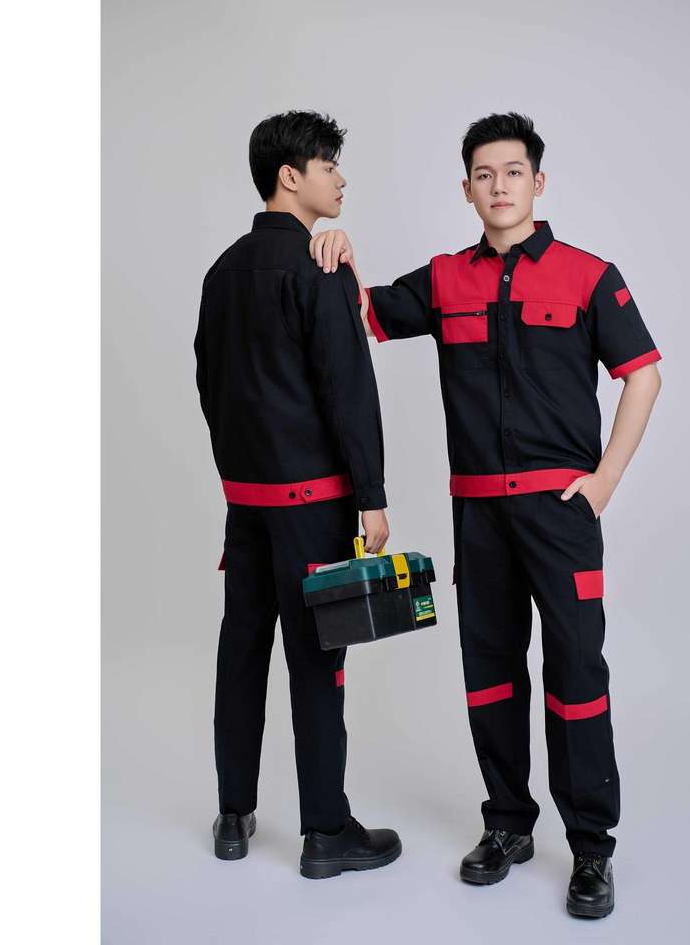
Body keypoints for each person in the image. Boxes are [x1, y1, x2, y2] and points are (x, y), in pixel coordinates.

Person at [309, 112, 662, 917]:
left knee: (576, 676)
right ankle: (507, 825)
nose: (499, 186)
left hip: (560, 513)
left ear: (538, 183)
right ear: (466, 189)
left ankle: (591, 848)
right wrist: (336, 249)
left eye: (513, 172)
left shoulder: (588, 275)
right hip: (479, 516)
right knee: (490, 674)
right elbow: (358, 315)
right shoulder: (445, 279)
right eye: (483, 175)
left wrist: (604, 481)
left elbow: (643, 373)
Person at [194, 110, 401, 879]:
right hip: (313, 507)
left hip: (245, 506)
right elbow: (348, 390)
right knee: (318, 662)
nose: (340, 178)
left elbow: (210, 383)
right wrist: (371, 495)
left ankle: (233, 817)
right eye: (328, 165)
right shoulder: (319, 268)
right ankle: (324, 833)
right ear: (291, 176)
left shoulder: (222, 272)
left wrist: (240, 473)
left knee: (242, 652)